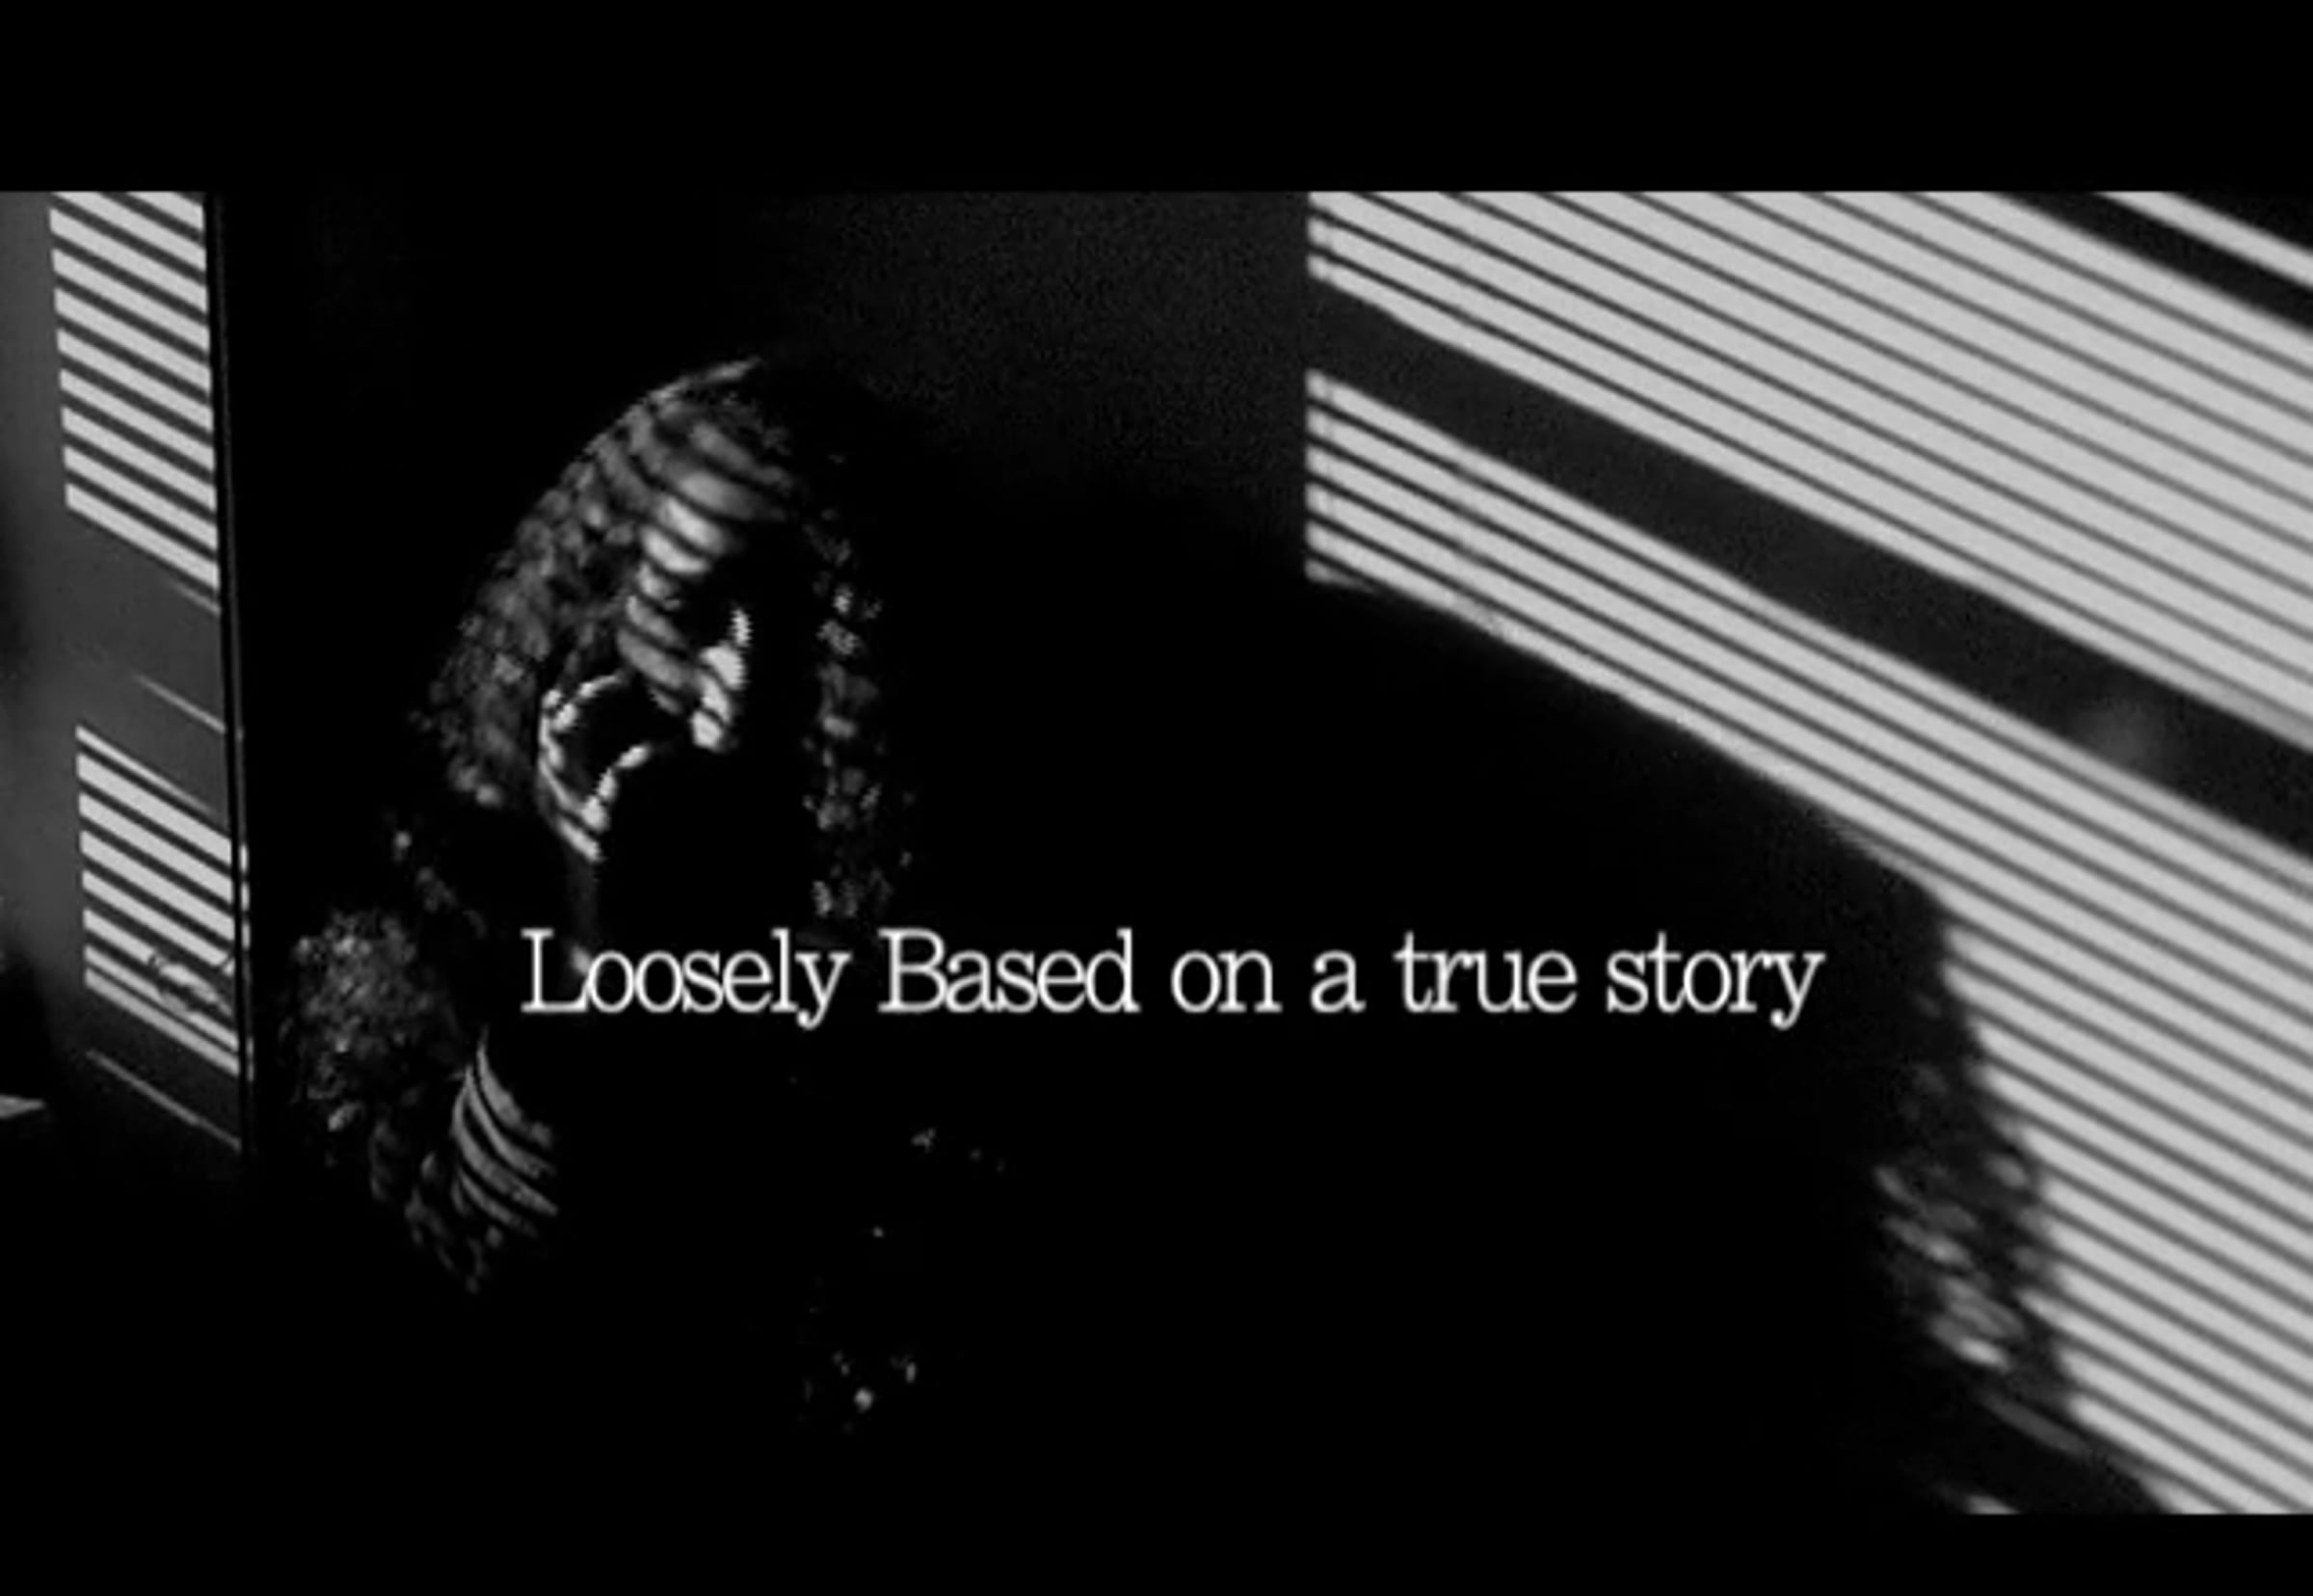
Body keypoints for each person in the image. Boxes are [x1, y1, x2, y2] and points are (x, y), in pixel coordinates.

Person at [282, 352, 2157, 1514]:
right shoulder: (447, 881)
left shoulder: (954, 901)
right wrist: (611, 948)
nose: (742, 683)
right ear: (598, 606)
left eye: (807, 624)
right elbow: (471, 1286)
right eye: (701, 610)